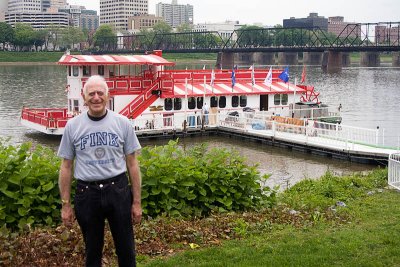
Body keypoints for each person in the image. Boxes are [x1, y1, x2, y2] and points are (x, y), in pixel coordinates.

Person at [58, 75, 142, 267]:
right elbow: (66, 166)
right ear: (84, 97)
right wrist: (65, 204)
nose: (96, 98)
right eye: (91, 94)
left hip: (118, 191)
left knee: (126, 250)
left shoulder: (122, 123)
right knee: (92, 252)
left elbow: (133, 164)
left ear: (108, 95)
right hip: (87, 194)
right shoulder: (73, 126)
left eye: (100, 93)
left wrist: (136, 202)